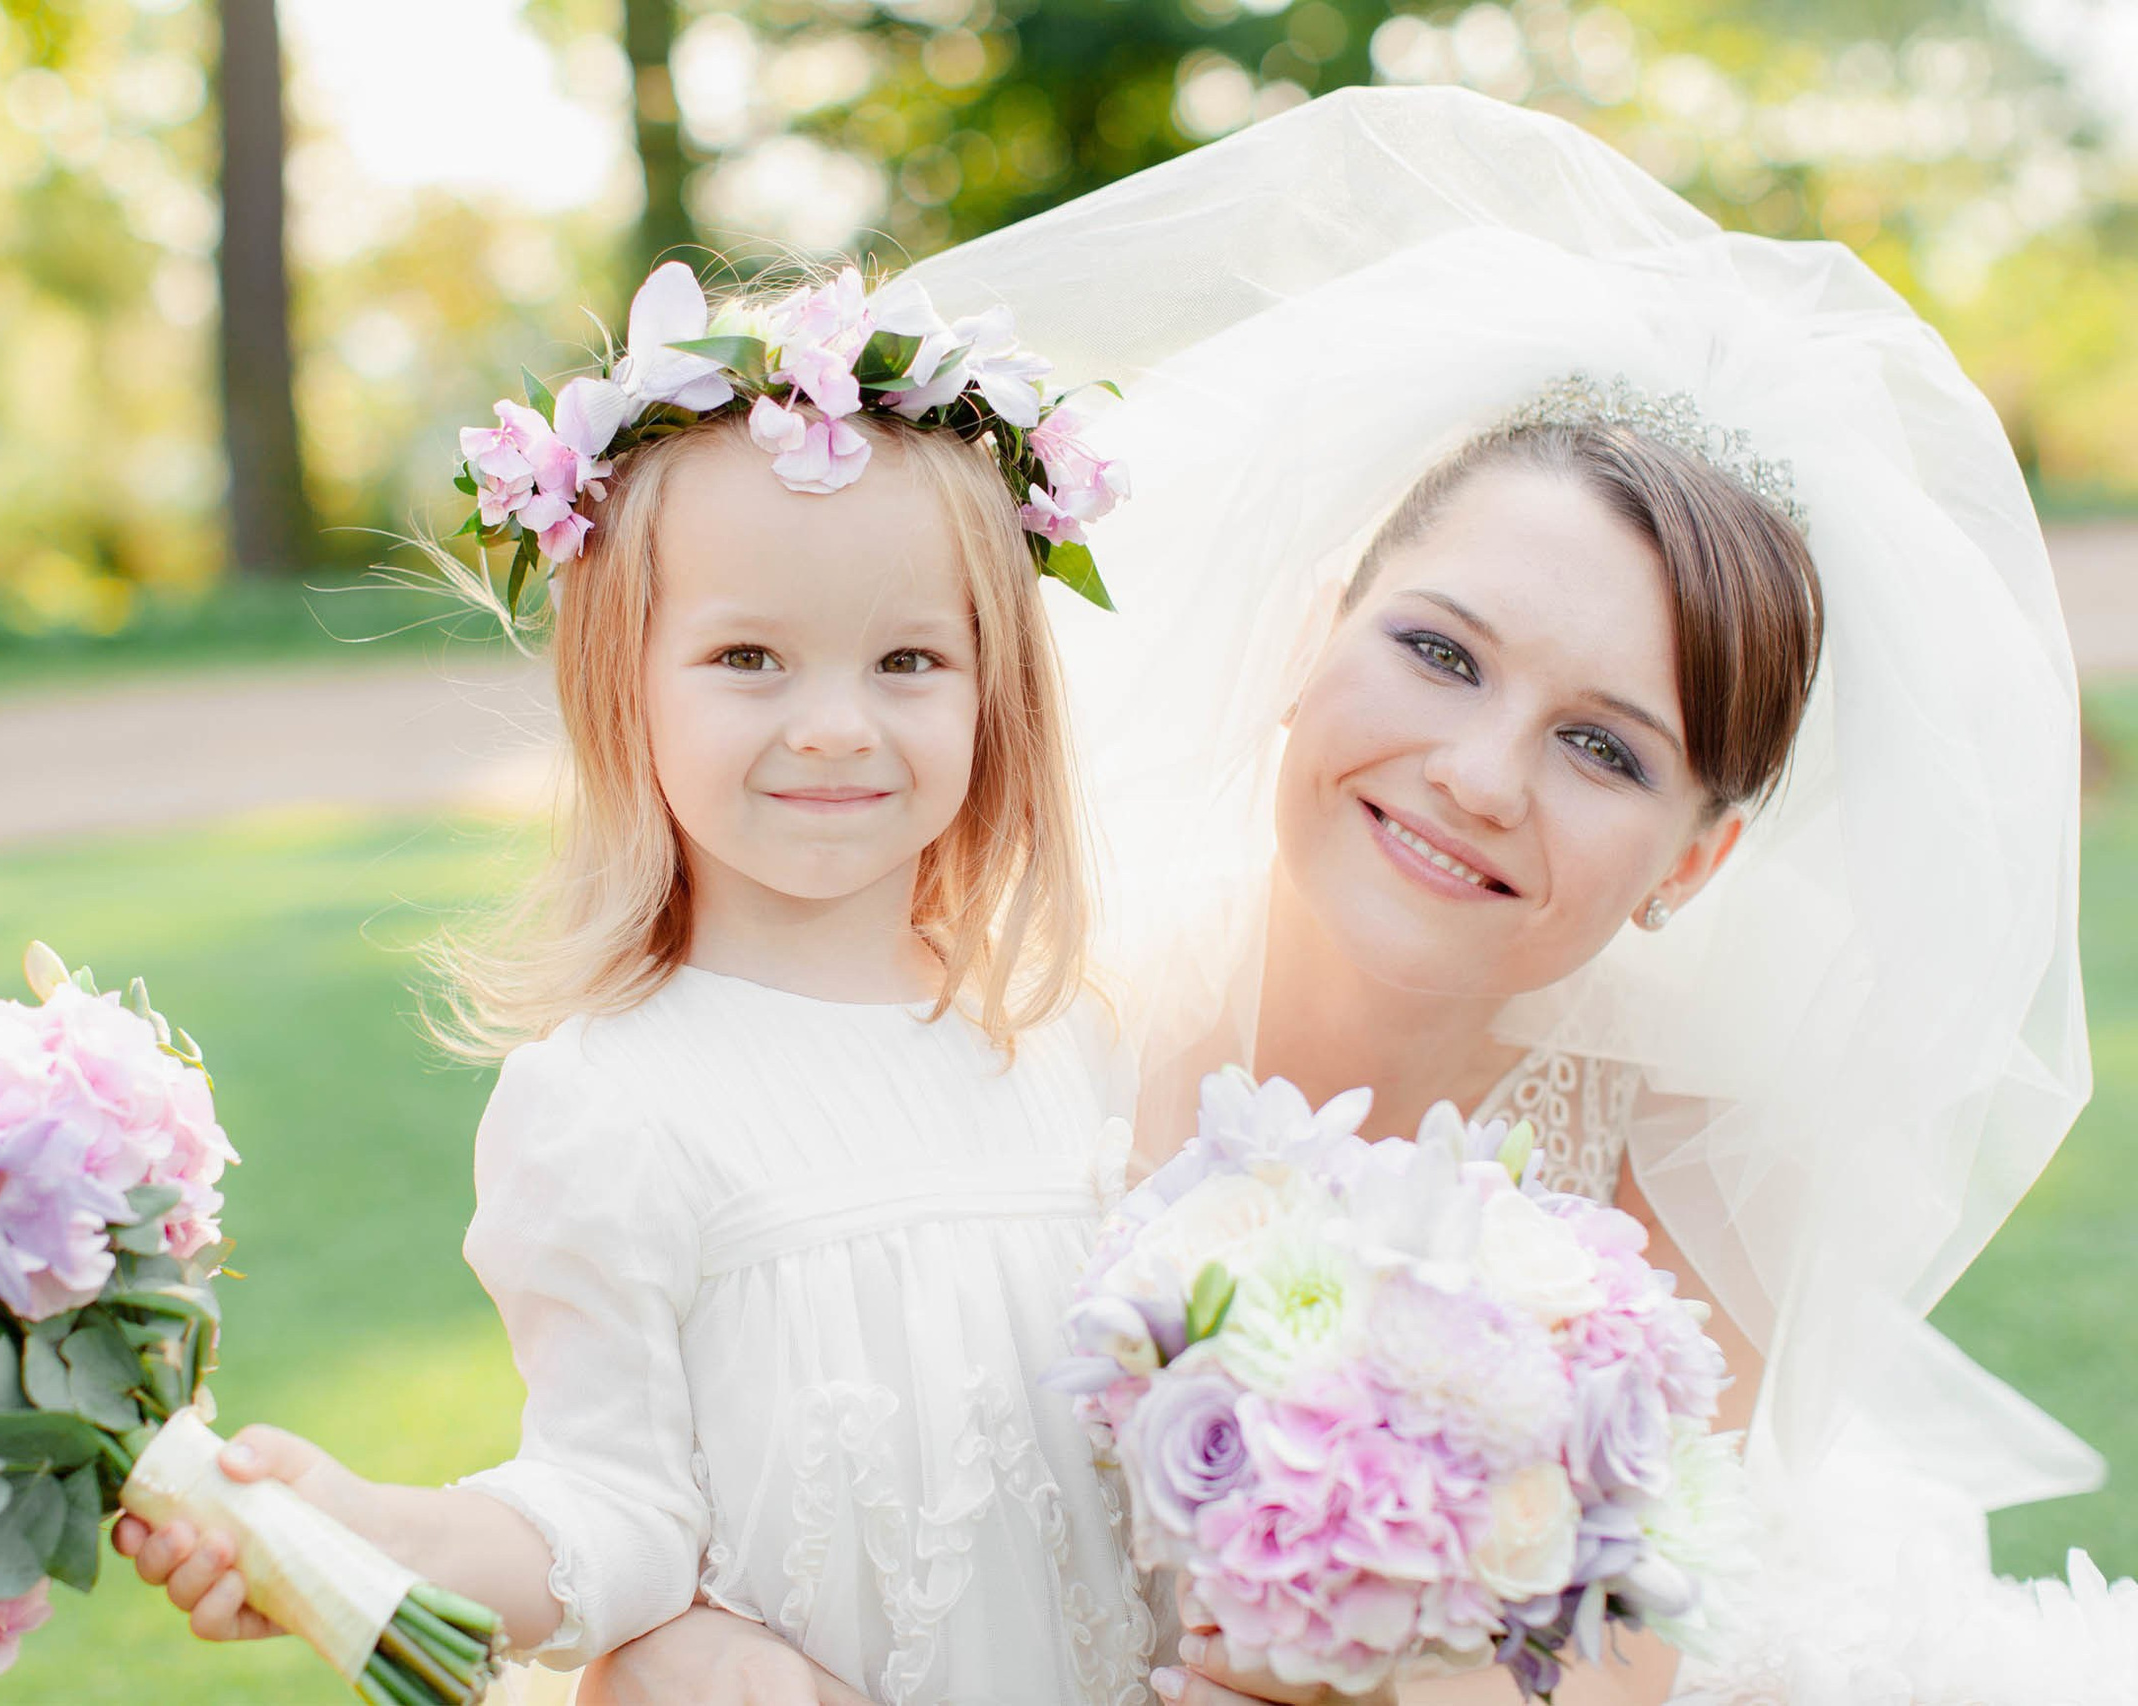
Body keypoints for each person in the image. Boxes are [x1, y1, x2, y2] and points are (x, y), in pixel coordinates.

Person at [586, 86, 2128, 1705]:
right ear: (1314, 630)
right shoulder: (986, 1016)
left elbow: (1602, 1671)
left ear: (1693, 860)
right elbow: (697, 1525)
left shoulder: (1678, 1190)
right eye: (1439, 652)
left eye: (1602, 747)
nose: (1477, 770)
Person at [112, 262, 1165, 1706]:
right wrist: (374, 1531)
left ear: (998, 693)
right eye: (748, 657)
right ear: (627, 685)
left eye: (910, 657)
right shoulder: (612, 1106)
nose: (835, 725)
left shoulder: (1065, 1045)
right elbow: (613, 1514)